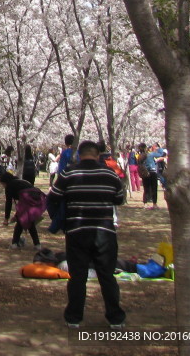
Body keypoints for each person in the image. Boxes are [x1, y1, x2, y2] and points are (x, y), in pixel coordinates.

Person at [47, 139, 126, 329]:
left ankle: (74, 317)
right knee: (107, 275)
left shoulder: (68, 173)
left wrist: (61, 220)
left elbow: (53, 197)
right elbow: (119, 199)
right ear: (97, 155)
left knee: (78, 276)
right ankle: (115, 318)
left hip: (77, 231)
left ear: (78, 155)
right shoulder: (109, 174)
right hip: (105, 232)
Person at [0, 165, 41, 250]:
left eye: (2, 184)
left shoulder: (10, 186)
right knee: (28, 222)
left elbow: (9, 203)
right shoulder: (19, 182)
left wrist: (6, 218)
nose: (3, 186)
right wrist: (16, 216)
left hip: (29, 200)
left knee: (22, 221)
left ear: (5, 182)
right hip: (36, 200)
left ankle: (15, 243)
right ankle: (37, 244)